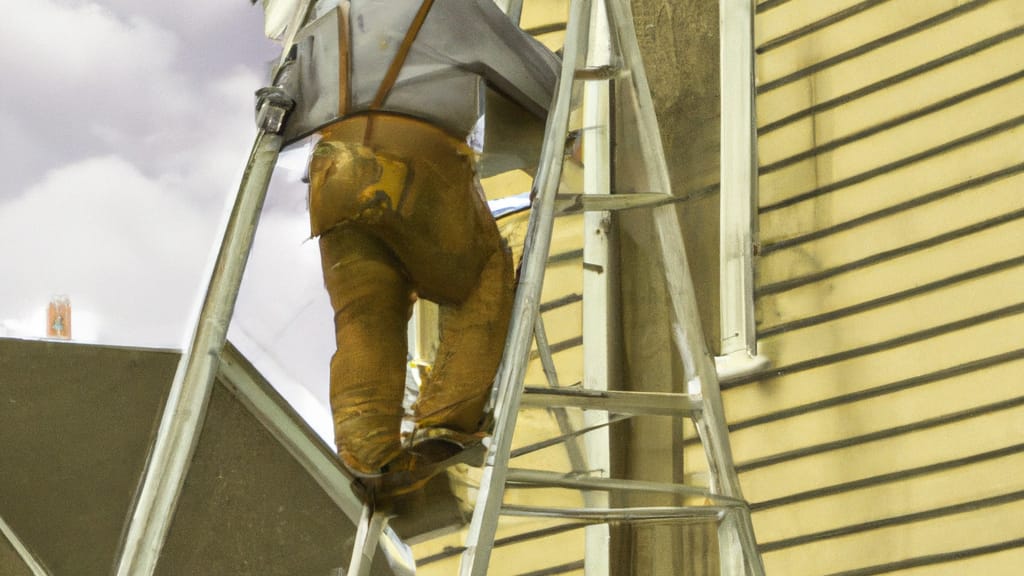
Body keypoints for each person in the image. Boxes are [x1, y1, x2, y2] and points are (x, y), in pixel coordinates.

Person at [261, 0, 559, 495]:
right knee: (481, 274)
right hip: (414, 161)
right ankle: (445, 426)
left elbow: (277, 110)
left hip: (334, 172)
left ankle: (370, 455)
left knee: (363, 318)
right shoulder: (452, 7)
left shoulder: (320, 22)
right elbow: (548, 82)